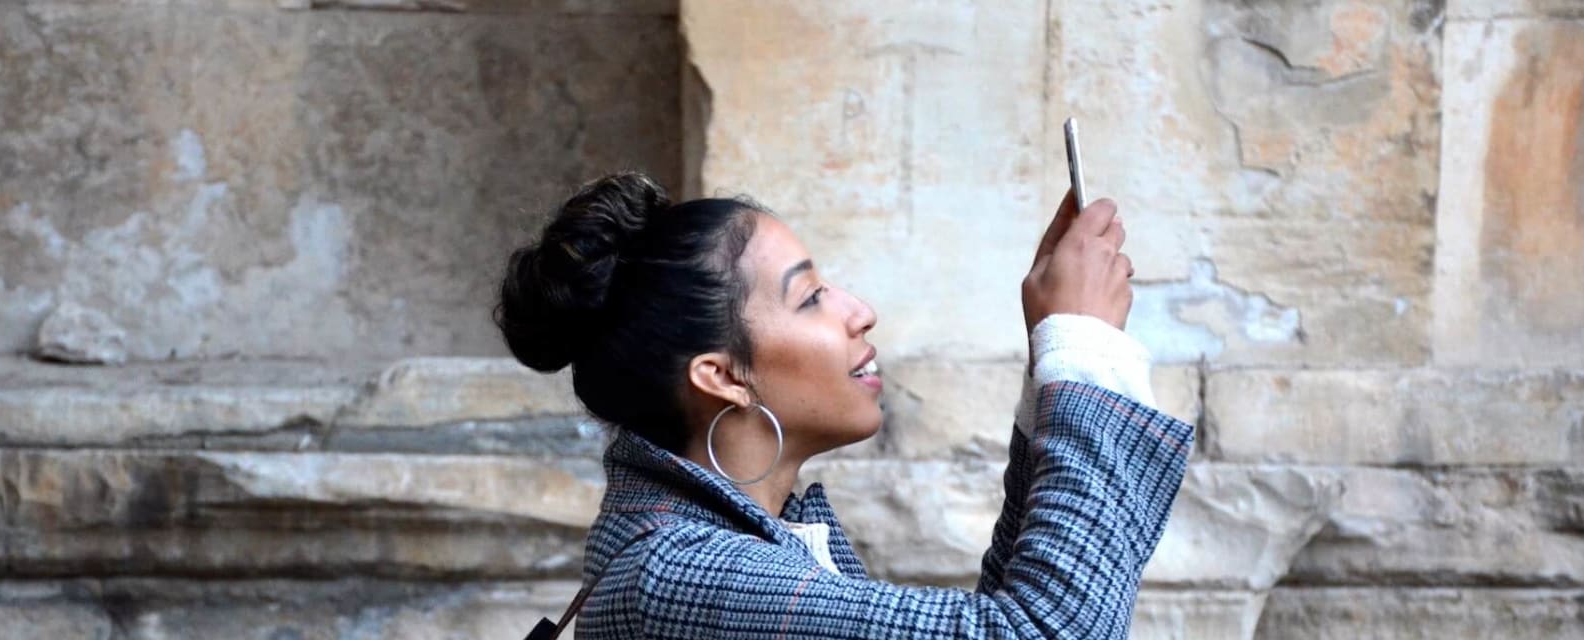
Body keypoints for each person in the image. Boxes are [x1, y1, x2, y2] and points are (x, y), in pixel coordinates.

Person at [494, 171, 1190, 638]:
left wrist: (1055, 368)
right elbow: (1040, 632)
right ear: (724, 376)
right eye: (811, 296)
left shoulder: (714, 547)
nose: (860, 312)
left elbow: (999, 619)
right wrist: (1082, 345)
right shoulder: (675, 575)